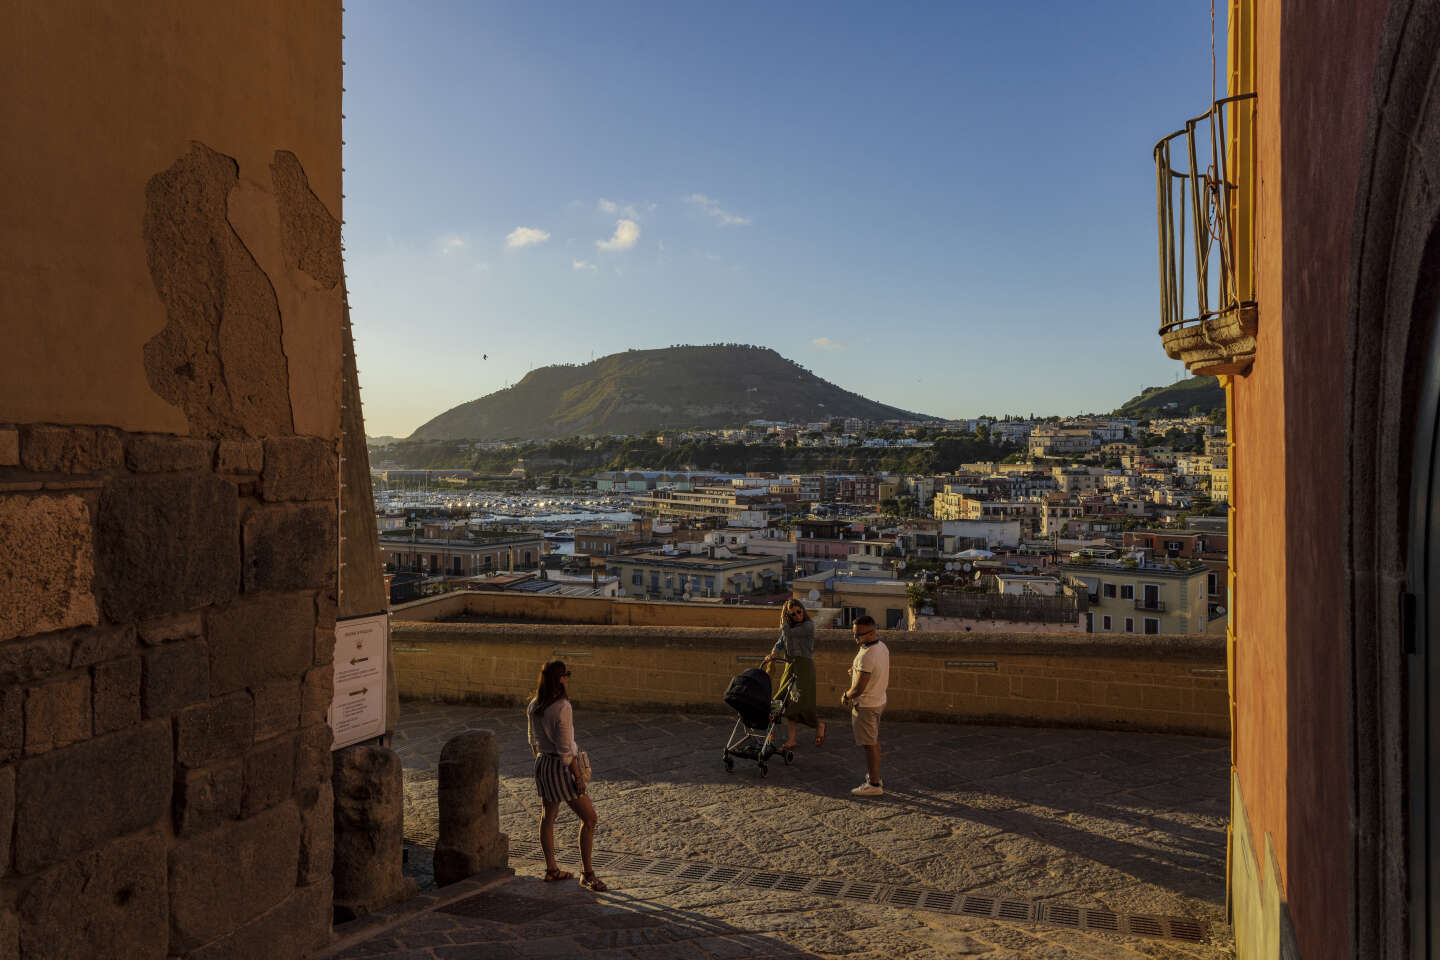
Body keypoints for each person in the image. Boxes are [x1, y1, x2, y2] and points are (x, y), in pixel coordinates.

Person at [526, 660, 606, 891]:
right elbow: (566, 750)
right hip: (562, 768)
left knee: (547, 817)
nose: (567, 678)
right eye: (566, 675)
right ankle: (587, 873)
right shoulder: (562, 707)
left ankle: (552, 869)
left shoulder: (534, 705)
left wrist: (545, 762)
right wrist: (578, 777)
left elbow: (533, 742)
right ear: (559, 679)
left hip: (543, 764)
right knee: (590, 818)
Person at [763, 600, 827, 749]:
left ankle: (819, 725)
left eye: (799, 611)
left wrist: (783, 621)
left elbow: (788, 634)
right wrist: (773, 653)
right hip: (790, 666)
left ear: (803, 610)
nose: (798, 615)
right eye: (793, 614)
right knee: (782, 701)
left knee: (800, 703)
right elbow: (781, 642)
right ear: (789, 616)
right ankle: (791, 740)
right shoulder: (789, 628)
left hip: (804, 667)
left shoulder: (808, 626)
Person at [840, 615, 889, 797]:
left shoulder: (867, 655)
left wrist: (846, 695)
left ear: (871, 633)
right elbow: (872, 671)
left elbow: (859, 688)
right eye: (854, 634)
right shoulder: (881, 647)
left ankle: (874, 784)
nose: (855, 639)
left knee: (869, 744)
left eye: (858, 635)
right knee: (873, 741)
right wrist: (855, 670)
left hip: (866, 705)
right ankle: (874, 776)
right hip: (879, 700)